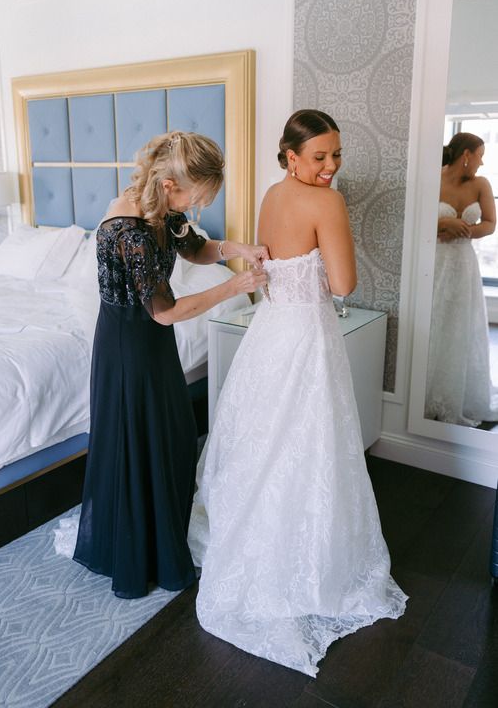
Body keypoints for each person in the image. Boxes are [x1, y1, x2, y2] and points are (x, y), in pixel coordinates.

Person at [188, 109, 407, 677]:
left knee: (265, 441)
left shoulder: (271, 194)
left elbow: (271, 264)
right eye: (320, 156)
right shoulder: (326, 203)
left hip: (269, 333)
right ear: (290, 155)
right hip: (307, 334)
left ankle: (253, 541)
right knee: (308, 443)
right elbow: (344, 284)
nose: (332, 166)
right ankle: (303, 558)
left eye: (337, 154)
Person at [67, 130, 268, 598]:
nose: (194, 209)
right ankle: (139, 553)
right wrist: (232, 287)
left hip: (153, 344)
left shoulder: (162, 209)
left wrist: (238, 249)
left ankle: (161, 534)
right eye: (194, 199)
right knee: (142, 444)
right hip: (128, 348)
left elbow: (195, 248)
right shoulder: (129, 232)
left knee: (174, 436)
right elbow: (165, 312)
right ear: (169, 184)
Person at [425, 131, 498, 426]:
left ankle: (457, 394)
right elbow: (418, 220)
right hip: (434, 262)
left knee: (459, 324)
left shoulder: (481, 184)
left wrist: (462, 230)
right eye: (480, 155)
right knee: (434, 319)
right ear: (466, 155)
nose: (482, 162)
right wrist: (444, 223)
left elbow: (490, 224)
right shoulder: (432, 178)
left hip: (463, 263)